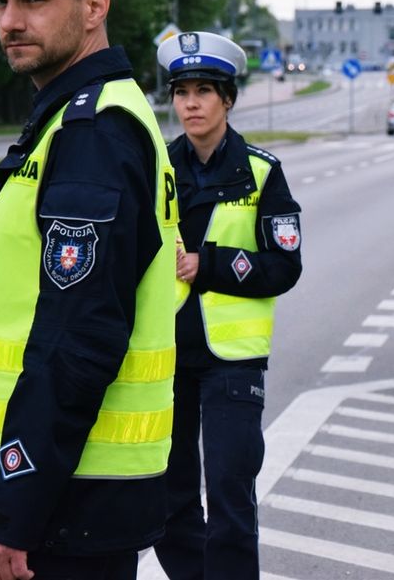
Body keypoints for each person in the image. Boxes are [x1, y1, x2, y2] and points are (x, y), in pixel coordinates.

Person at [0, 0, 179, 580]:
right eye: (0, 1)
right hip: (65, 508)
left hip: (52, 520)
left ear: (94, 7)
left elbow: (80, 335)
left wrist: (12, 510)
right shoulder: (75, 120)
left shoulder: (94, 131)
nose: (10, 20)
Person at [152, 32, 302, 580]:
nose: (190, 103)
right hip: (163, 358)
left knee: (231, 498)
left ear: (228, 100)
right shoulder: (158, 168)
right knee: (169, 500)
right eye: (182, 92)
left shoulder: (261, 173)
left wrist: (207, 265)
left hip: (233, 363)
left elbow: (285, 266)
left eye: (203, 92)